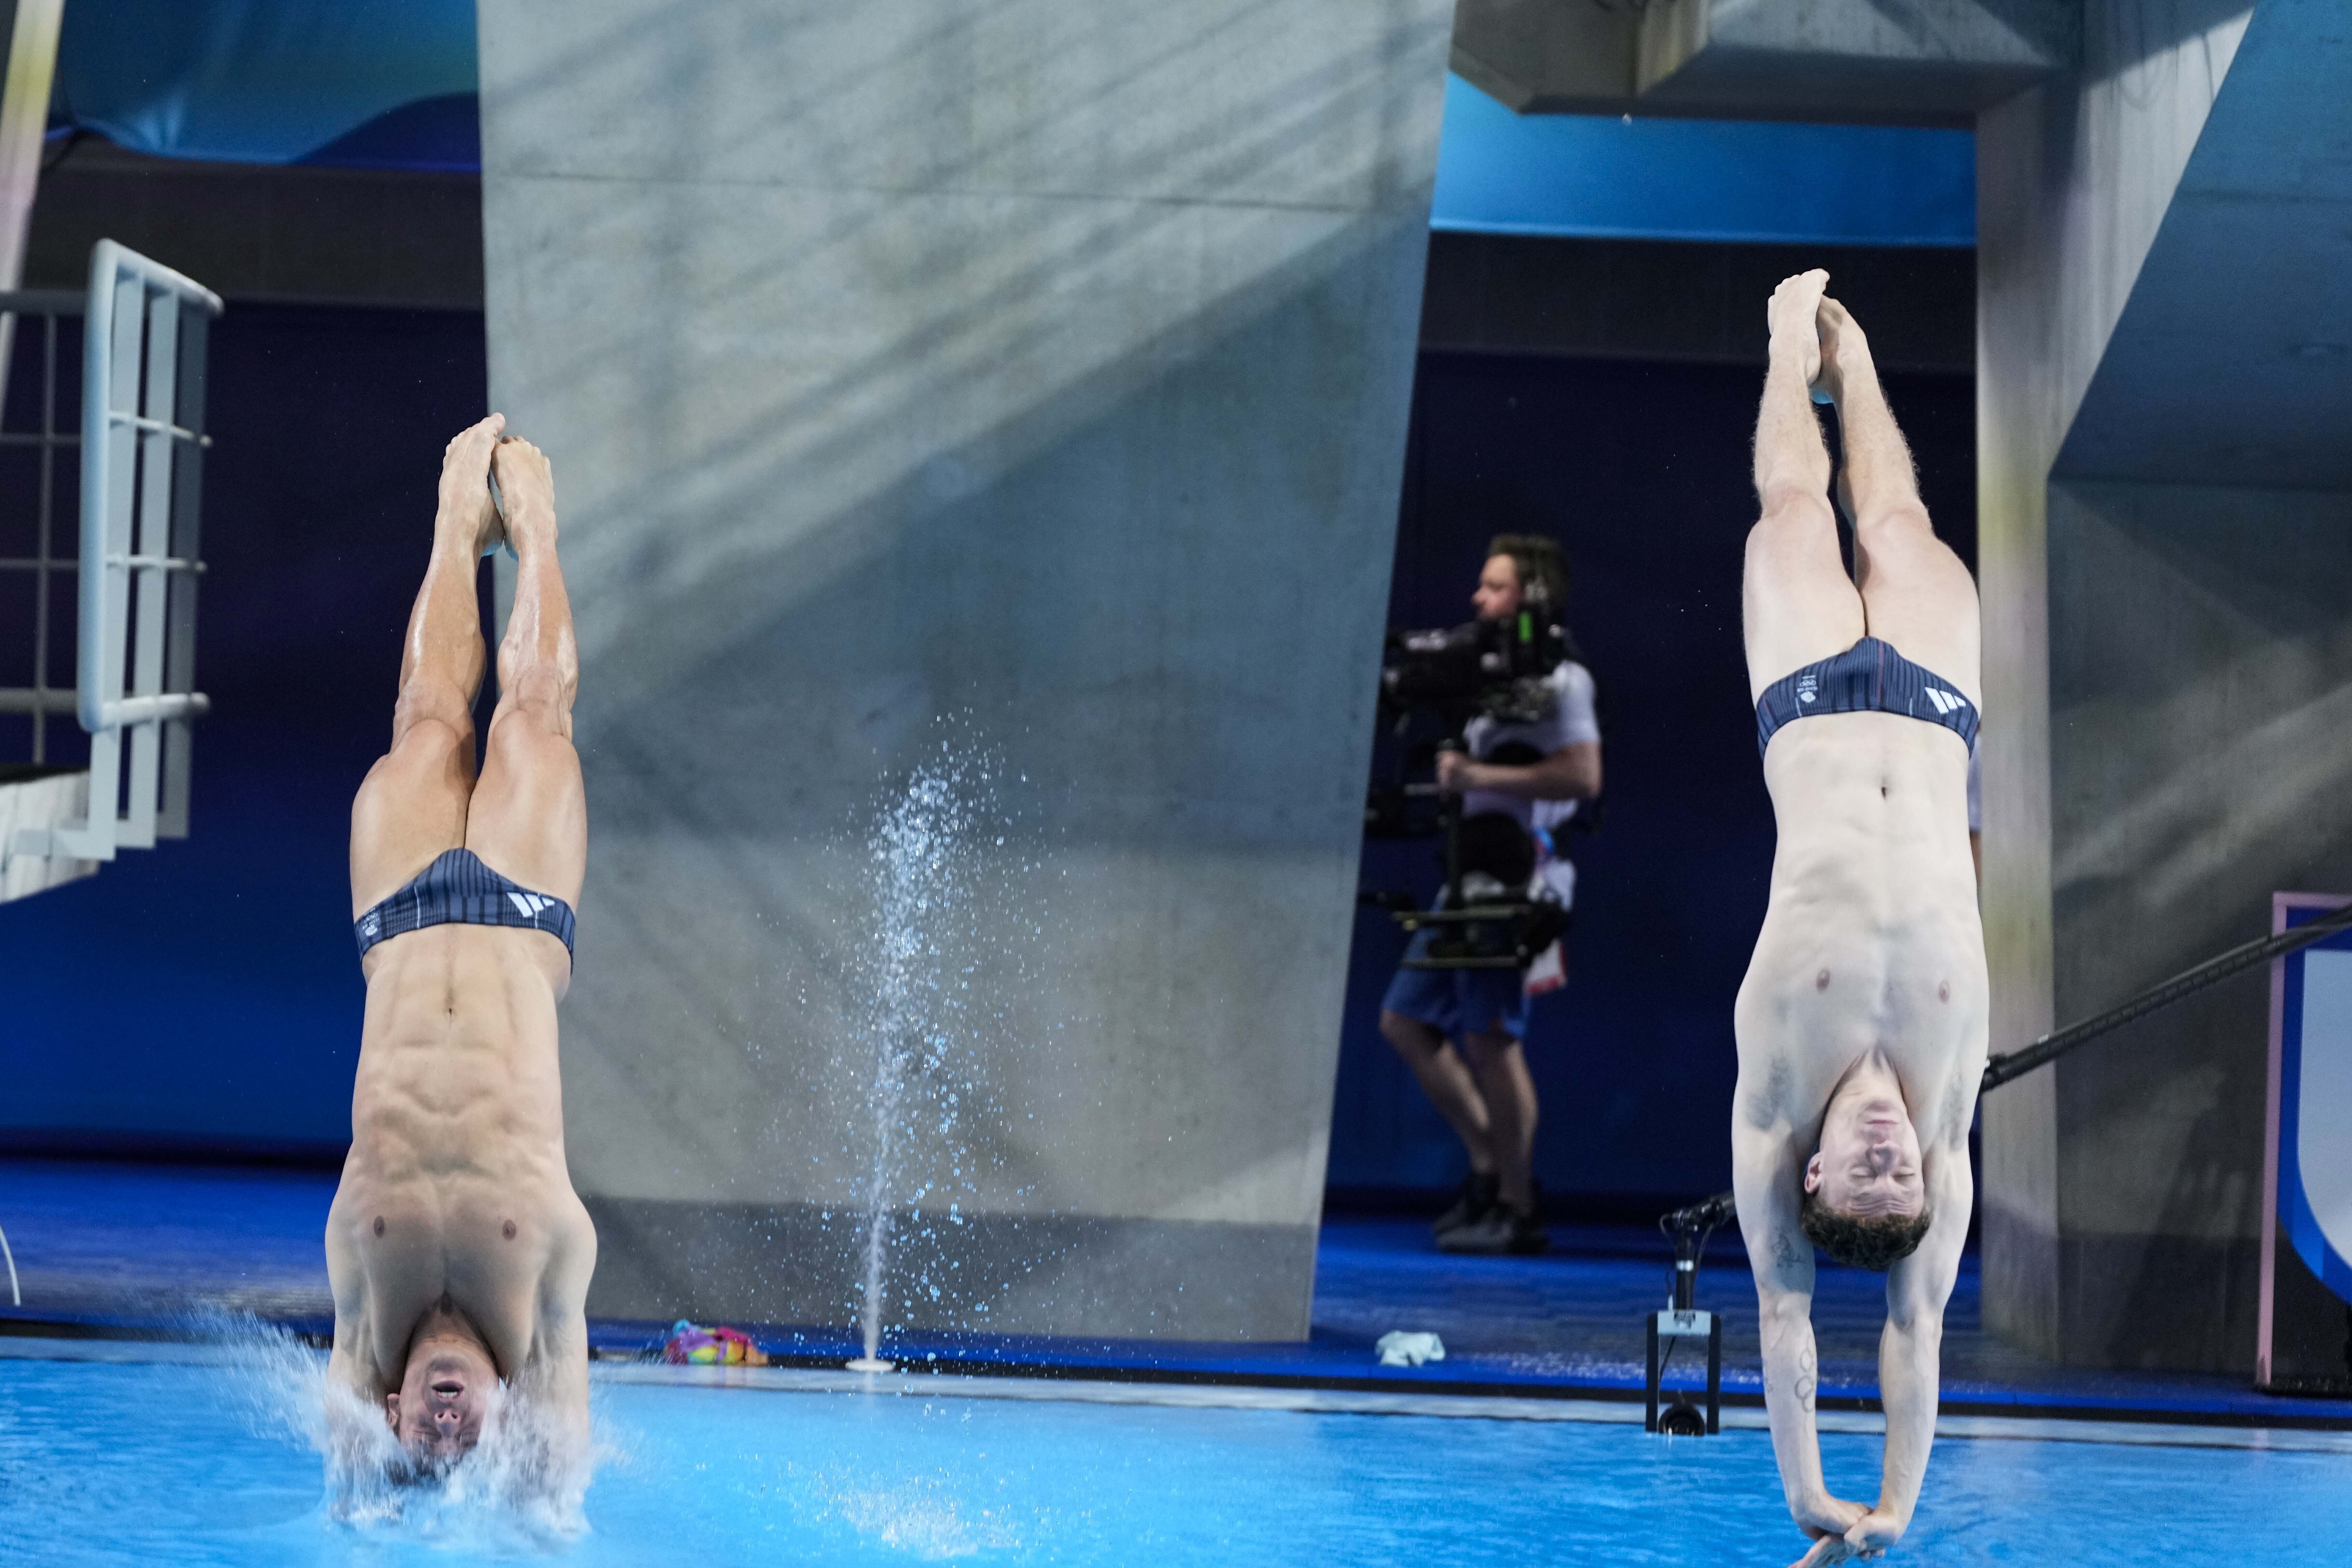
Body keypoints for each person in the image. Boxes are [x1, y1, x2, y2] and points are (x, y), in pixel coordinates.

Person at [1731, 271, 1985, 1566]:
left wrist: (1808, 1493)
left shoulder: (1778, 1094)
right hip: (1939, 709)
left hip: (1810, 706)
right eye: (1907, 1178)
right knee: (1897, 510)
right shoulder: (1946, 1111)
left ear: (1815, 1174)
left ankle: (1789, 349)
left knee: (1794, 505)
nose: (1890, 1152)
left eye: (1864, 1171)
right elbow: (1916, 1329)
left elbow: (1789, 1312)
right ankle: (1864, 359)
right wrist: (1895, 1508)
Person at [324, 414, 597, 1501]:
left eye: (420, 1441)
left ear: (386, 1407)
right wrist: (546, 1507)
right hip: (522, 918)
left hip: (394, 923)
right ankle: (532, 524)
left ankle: (452, 523)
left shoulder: (365, 1305)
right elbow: (561, 1489)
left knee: (425, 722)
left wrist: (358, 1504)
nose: (445, 1428)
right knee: (532, 718)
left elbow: (341, 1496)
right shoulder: (544, 1291)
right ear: (506, 1419)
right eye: (466, 1443)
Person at [1378, 535, 1603, 1255]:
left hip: (1518, 881)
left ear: (1532, 598)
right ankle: (1492, 1167)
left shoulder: (1564, 682)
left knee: (1491, 1039)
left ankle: (1516, 1204)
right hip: (1465, 876)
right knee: (1405, 1022)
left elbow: (1581, 778)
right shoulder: (1480, 683)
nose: (1479, 599)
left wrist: (1480, 780)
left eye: (1495, 587)